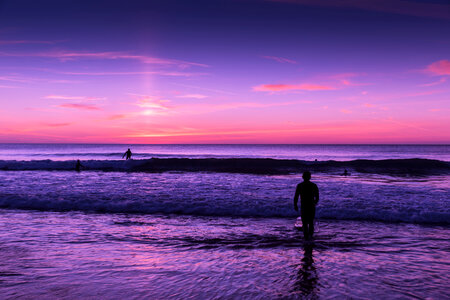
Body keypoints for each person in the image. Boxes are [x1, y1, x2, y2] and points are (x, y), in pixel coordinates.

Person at [294, 171, 319, 240]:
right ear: (310, 177)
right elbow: (317, 197)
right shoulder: (314, 185)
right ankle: (310, 237)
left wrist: (295, 205)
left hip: (304, 206)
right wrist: (315, 203)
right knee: (311, 222)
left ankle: (306, 238)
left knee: (304, 223)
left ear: (302, 177)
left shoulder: (300, 185)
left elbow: (296, 196)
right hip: (311, 206)